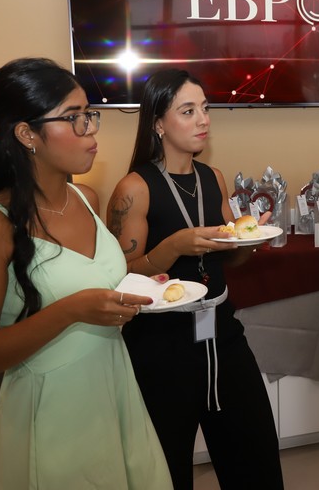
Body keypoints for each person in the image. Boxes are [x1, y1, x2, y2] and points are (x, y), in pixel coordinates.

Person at [0, 58, 173, 489]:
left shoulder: (86, 197)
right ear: (27, 134)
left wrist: (136, 288)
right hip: (52, 406)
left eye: (90, 114)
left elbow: (92, 283)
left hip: (113, 384)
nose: (91, 130)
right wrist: (71, 311)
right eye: (74, 118)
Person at [106, 68, 284, 489]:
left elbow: (229, 259)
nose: (203, 120)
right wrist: (173, 247)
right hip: (161, 343)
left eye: (205, 108)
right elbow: (119, 276)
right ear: (158, 123)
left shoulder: (212, 177)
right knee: (165, 467)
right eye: (188, 111)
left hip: (221, 331)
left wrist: (249, 241)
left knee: (255, 455)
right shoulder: (135, 187)